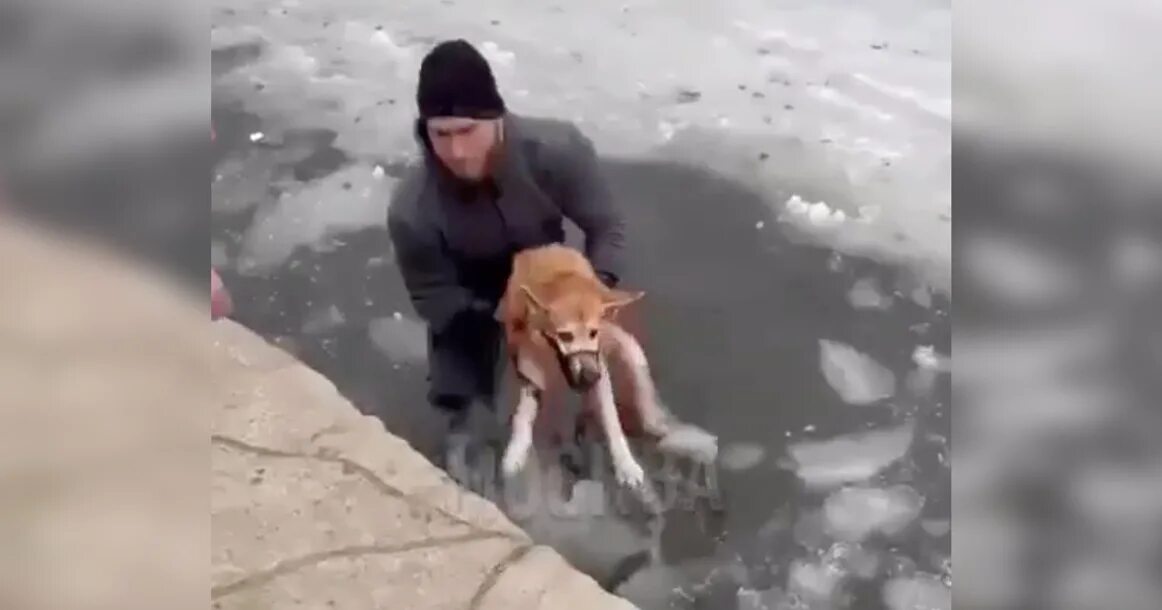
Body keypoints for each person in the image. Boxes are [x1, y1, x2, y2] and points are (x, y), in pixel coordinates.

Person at [387, 39, 627, 468]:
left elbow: (607, 227)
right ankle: (468, 476)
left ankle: (589, 442)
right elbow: (433, 298)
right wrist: (499, 319)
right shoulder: (412, 208)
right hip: (473, 296)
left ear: (495, 118)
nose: (457, 152)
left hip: (552, 281)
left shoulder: (557, 150)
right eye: (441, 134)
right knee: (463, 415)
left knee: (603, 371)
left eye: (467, 131)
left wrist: (595, 292)